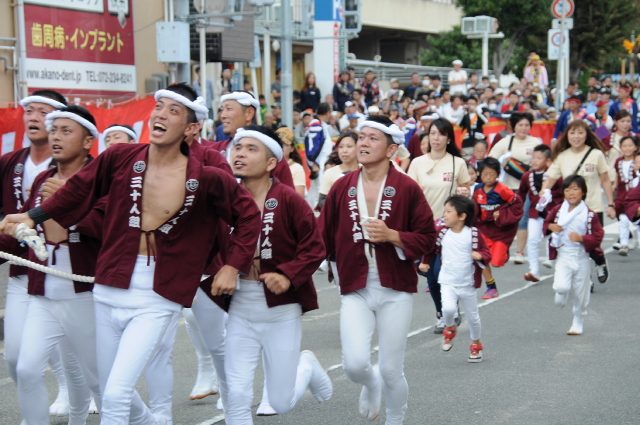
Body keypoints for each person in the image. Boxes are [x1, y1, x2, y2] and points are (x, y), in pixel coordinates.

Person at [0, 83, 263, 425]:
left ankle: (210, 407)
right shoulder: (120, 158)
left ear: (191, 127)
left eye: (173, 110)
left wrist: (231, 266)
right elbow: (78, 190)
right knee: (108, 386)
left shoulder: (208, 176)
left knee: (115, 394)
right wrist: (33, 216)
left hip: (159, 293)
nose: (160, 114)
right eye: (159, 107)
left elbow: (248, 216)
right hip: (110, 284)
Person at [204, 125, 332, 425]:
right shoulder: (222, 201)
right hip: (240, 306)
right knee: (236, 395)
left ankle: (306, 366)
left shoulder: (289, 200)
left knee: (279, 402)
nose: (240, 154)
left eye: (251, 149)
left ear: (271, 162)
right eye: (237, 148)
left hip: (281, 310)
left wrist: (287, 275)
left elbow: (315, 248)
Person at [319, 115, 436, 424]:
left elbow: (428, 237)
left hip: (395, 289)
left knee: (391, 369)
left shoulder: (407, 187)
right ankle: (371, 384)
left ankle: (395, 419)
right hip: (355, 286)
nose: (363, 143)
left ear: (391, 149)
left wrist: (393, 235)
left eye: (373, 138)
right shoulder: (342, 186)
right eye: (362, 137)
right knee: (355, 365)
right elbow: (320, 236)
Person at [0, 104, 104, 425]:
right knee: (26, 369)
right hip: (42, 294)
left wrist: (69, 207)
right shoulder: (44, 178)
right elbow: (24, 232)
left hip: (85, 295)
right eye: (54, 130)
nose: (56, 137)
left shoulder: (102, 179)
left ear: (88, 141)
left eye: (66, 131)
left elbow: (110, 231)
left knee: (98, 379)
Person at [2, 90, 77, 419]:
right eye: (29, 110)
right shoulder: (10, 162)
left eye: (42, 112)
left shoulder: (73, 167)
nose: (33, 117)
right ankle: (36, 410)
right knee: (16, 359)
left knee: (79, 358)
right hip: (24, 273)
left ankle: (75, 395)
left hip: (68, 273)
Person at [407, 118, 471, 332]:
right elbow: (408, 194)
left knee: (442, 272)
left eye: (441, 134)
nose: (436, 138)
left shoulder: (457, 163)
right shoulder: (417, 163)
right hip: (425, 227)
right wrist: (416, 194)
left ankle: (449, 312)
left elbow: (465, 192)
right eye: (432, 133)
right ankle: (442, 313)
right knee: (431, 277)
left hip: (448, 227)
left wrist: (464, 192)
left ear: (448, 138)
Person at [540, 120, 616, 284]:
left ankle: (600, 261)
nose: (576, 136)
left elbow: (605, 179)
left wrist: (611, 204)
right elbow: (551, 179)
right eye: (572, 133)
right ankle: (587, 279)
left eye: (580, 133)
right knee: (577, 245)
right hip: (571, 210)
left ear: (586, 135)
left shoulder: (596, 154)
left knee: (592, 244)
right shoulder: (562, 156)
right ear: (567, 135)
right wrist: (543, 192)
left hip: (593, 207)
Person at [419, 195, 491, 362]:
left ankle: (476, 345)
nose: (444, 215)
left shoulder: (473, 234)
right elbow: (432, 249)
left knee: (473, 318)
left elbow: (486, 252)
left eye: (448, 211)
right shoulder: (443, 232)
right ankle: (450, 329)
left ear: (462, 216)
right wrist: (425, 262)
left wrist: (480, 255)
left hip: (467, 283)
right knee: (448, 310)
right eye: (445, 211)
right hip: (447, 281)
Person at [544, 175, 604, 335]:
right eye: (567, 190)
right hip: (563, 254)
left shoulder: (589, 214)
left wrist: (582, 238)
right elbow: (546, 223)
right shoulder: (558, 210)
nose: (571, 193)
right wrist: (550, 226)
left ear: (583, 192)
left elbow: (598, 235)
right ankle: (562, 292)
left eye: (575, 189)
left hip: (581, 256)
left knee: (581, 293)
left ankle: (578, 321)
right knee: (561, 286)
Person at [212, 91, 294, 187]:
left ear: (249, 113)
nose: (223, 115)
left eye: (229, 109)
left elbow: (287, 193)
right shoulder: (214, 151)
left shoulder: (270, 152)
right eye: (222, 110)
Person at [472, 158, 524, 299]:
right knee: (481, 258)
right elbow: (475, 207)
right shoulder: (477, 189)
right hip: (484, 228)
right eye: (485, 174)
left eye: (492, 174)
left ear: (498, 175)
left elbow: (517, 204)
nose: (488, 177)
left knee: (496, 263)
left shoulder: (503, 190)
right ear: (480, 174)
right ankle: (491, 287)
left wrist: (502, 214)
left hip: (501, 230)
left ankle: (504, 254)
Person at [518, 144, 563, 282]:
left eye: (539, 158)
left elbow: (562, 190)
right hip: (535, 212)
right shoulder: (527, 176)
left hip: (552, 211)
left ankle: (553, 260)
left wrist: (552, 196)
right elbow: (521, 194)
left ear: (548, 161)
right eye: (534, 158)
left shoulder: (554, 175)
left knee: (552, 237)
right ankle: (534, 270)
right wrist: (517, 208)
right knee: (533, 239)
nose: (535, 161)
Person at [318, 131, 359, 210]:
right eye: (341, 147)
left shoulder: (365, 171)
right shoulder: (330, 173)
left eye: (349, 146)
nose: (344, 151)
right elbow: (322, 200)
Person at [613, 136, 640, 255]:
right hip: (622, 195)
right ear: (620, 148)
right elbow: (617, 176)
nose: (627, 148)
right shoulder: (618, 161)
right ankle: (624, 244)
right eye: (624, 146)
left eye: (630, 145)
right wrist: (614, 186)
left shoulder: (637, 159)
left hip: (635, 195)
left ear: (636, 147)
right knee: (623, 220)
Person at [304, 103, 335, 208]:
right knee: (320, 189)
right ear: (328, 112)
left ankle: (309, 209)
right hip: (319, 162)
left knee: (315, 189)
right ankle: (318, 213)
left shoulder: (319, 124)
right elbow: (312, 146)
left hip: (321, 162)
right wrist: (314, 162)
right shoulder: (316, 125)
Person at [602, 110, 635, 183]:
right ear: (616, 122)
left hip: (632, 179)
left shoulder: (635, 138)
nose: (625, 124)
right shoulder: (608, 139)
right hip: (612, 178)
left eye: (628, 121)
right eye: (622, 121)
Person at [277, 127, 306, 197]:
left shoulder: (297, 168)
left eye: (285, 144)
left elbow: (299, 197)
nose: (281, 147)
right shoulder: (266, 165)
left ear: (292, 148)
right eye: (278, 143)